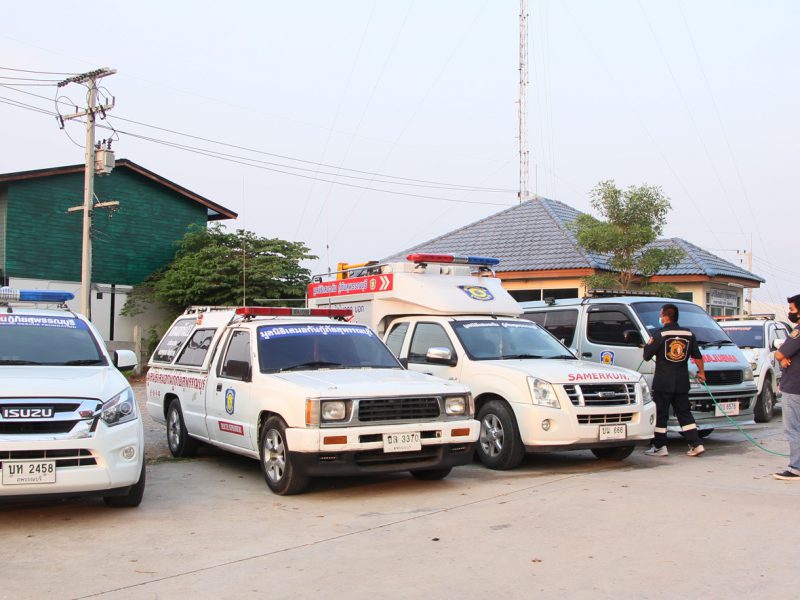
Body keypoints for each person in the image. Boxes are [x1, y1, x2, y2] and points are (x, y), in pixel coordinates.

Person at [642, 303, 706, 457]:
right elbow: (697, 356)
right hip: (682, 381)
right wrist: (702, 373)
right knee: (684, 413)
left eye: (660, 314)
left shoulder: (660, 334)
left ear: (665, 317)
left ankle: (660, 447)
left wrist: (649, 344)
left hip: (663, 382)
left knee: (661, 414)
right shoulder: (688, 334)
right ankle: (695, 444)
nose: (660, 317)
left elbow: (646, 356)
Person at [773, 294, 800, 480]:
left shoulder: (798, 331)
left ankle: (795, 467)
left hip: (795, 386)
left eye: (792, 309)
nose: (790, 313)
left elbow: (780, 353)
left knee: (792, 428)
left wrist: (782, 358)